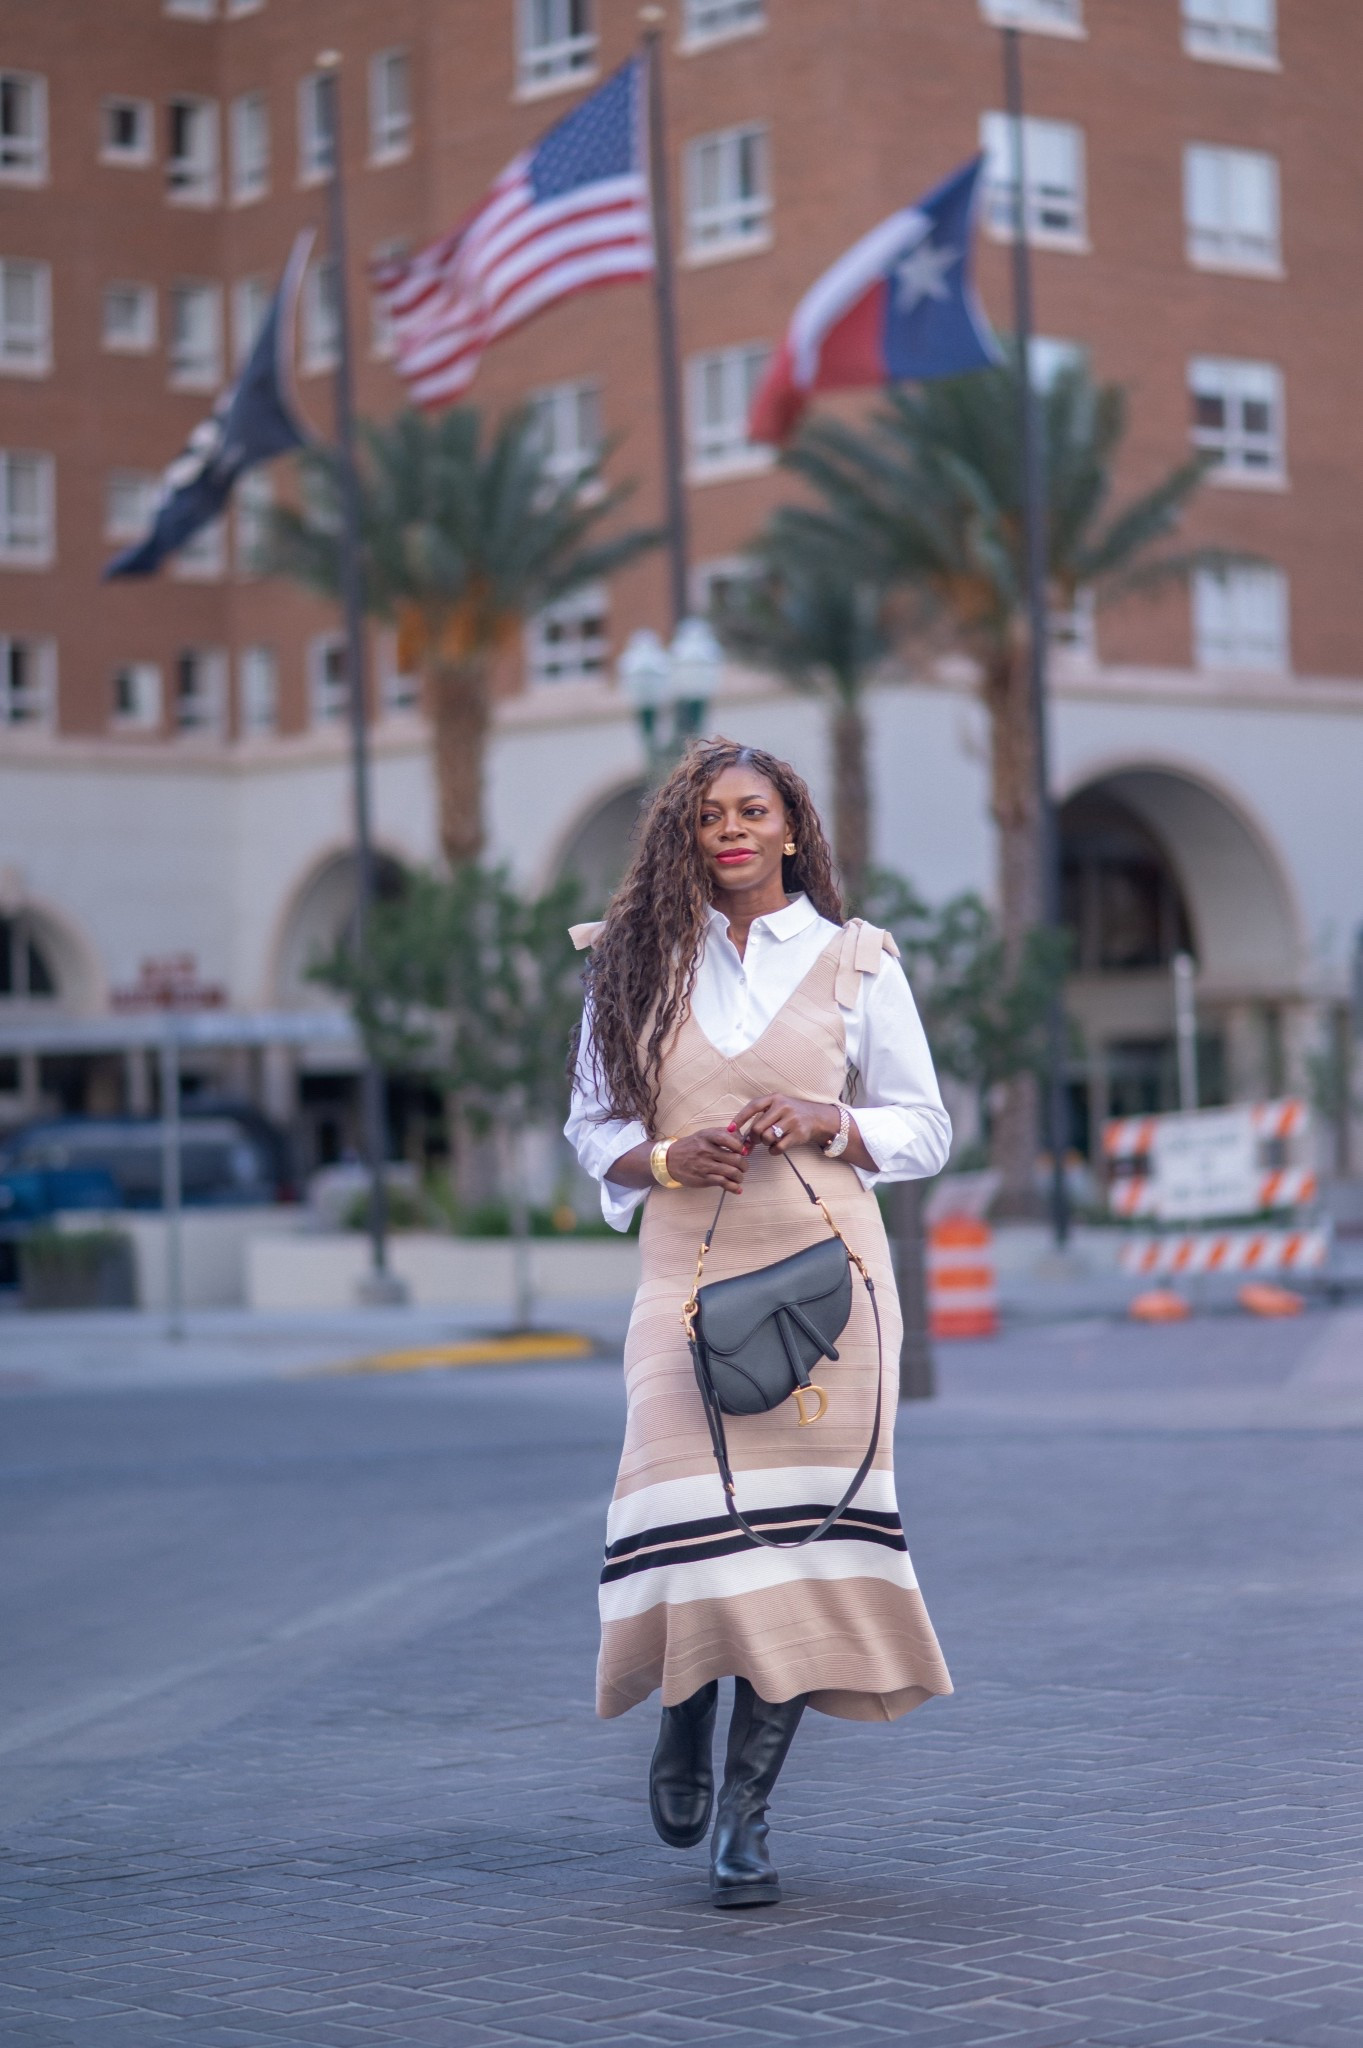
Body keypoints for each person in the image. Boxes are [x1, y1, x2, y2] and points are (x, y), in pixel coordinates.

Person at [566, 738, 953, 1908]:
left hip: (830, 1284)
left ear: (792, 829)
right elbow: (591, 1127)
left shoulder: (857, 962)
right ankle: (682, 1711)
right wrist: (670, 1152)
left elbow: (927, 1129)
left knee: (795, 1543)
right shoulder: (630, 964)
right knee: (689, 1516)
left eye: (753, 810)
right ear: (683, 836)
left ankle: (747, 1809)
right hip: (682, 1274)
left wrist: (829, 1117)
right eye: (707, 816)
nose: (730, 829)